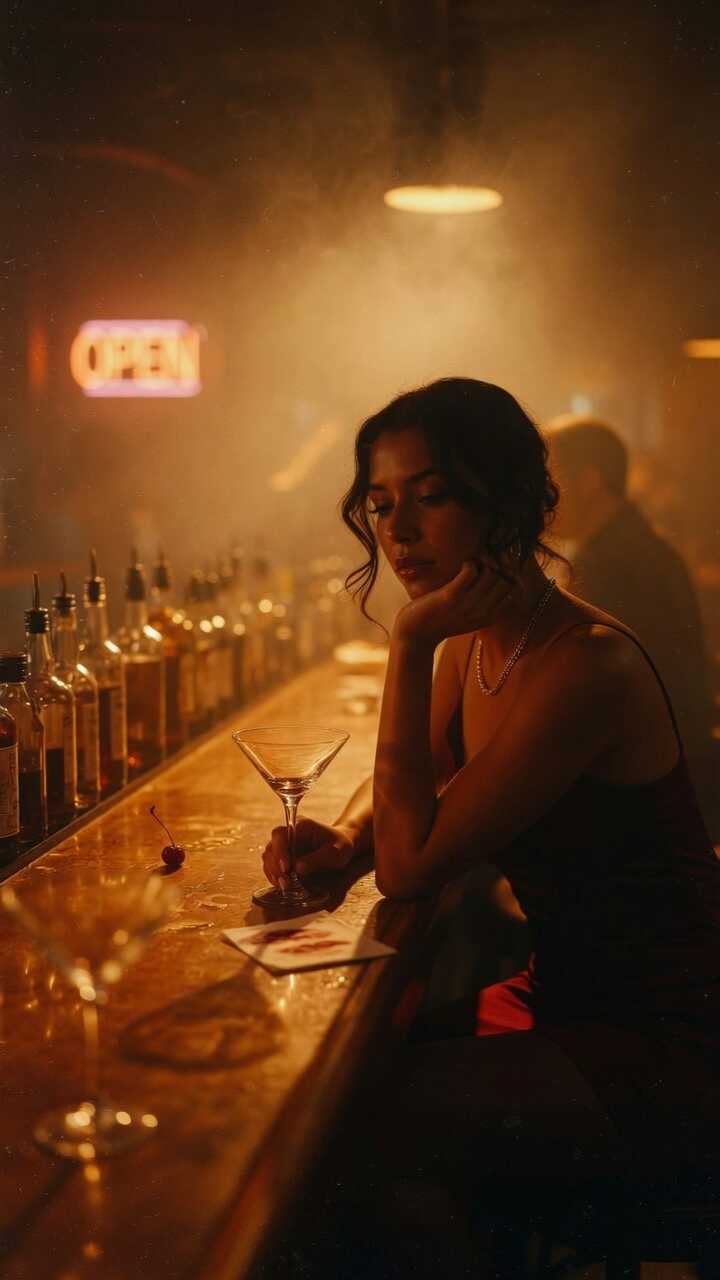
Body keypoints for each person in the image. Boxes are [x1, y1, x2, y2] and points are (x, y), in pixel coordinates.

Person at [262, 379, 720, 1273]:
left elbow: (411, 864)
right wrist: (344, 842)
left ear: (507, 497)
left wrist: (408, 640)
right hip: (560, 990)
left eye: (431, 498)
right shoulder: (483, 639)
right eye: (381, 504)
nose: (397, 532)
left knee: (347, 1140)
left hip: (663, 1037)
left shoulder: (583, 663)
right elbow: (412, 789)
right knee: (332, 1100)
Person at [545, 414, 716, 828]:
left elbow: (572, 686)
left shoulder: (613, 562)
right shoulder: (630, 544)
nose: (542, 498)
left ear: (588, 481)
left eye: (550, 480)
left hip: (649, 788)